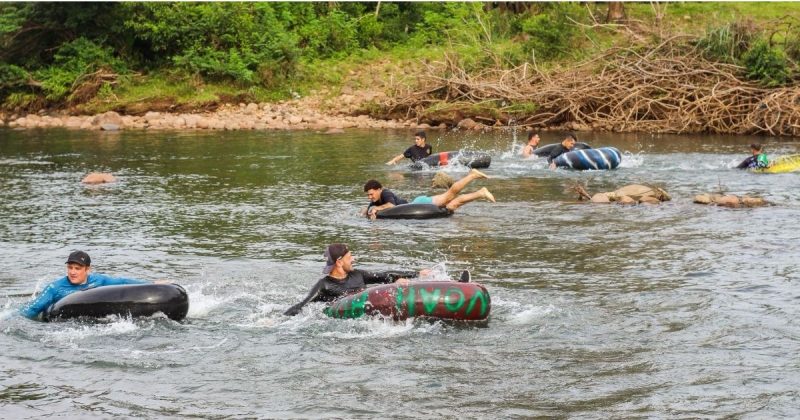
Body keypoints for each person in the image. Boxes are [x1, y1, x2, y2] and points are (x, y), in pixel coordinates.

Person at [283, 243, 419, 316]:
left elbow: (385, 275)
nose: (353, 259)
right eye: (350, 257)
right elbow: (302, 305)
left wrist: (416, 273)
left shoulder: (358, 274)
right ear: (340, 262)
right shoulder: (324, 285)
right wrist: (277, 320)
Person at [18, 251, 155, 320]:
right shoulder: (54, 288)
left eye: (77, 268)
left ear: (87, 269)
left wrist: (152, 284)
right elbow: (31, 309)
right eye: (70, 267)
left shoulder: (98, 280)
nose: (72, 272)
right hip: (60, 321)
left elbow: (123, 281)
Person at [362, 169, 495, 220]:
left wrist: (376, 209)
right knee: (453, 205)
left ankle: (471, 175)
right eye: (368, 195)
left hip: (419, 204)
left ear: (379, 189)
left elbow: (390, 205)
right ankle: (480, 193)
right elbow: (369, 209)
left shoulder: (386, 193)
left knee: (450, 195)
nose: (370, 197)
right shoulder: (375, 200)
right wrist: (365, 211)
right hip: (419, 206)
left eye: (371, 194)